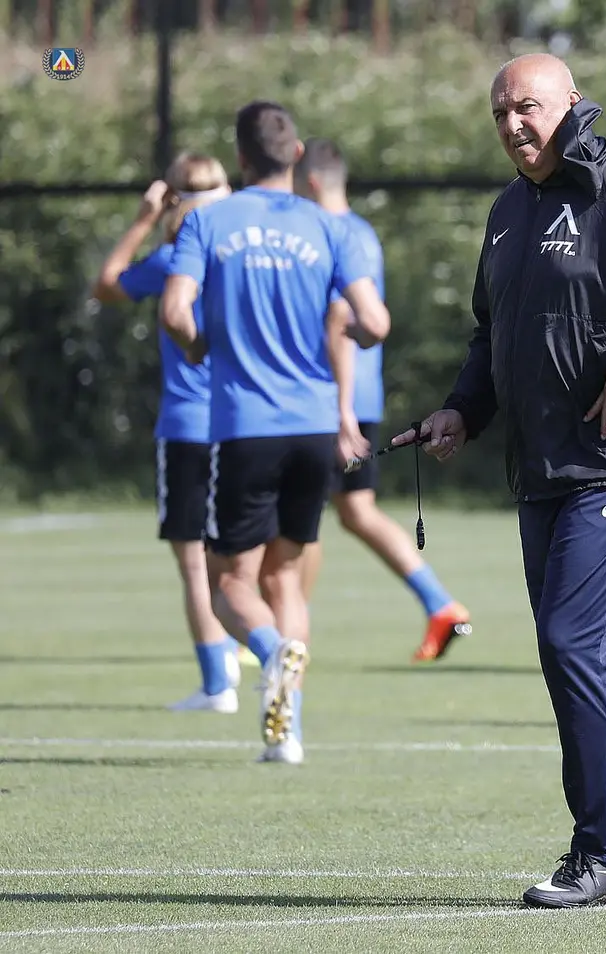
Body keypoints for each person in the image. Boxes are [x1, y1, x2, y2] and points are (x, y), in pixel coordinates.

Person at [391, 54, 606, 908]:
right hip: (542, 467)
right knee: (576, 656)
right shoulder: (507, 212)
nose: (514, 123)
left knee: (574, 647)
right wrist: (462, 411)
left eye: (529, 106)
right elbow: (492, 335)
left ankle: (604, 853)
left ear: (571, 104)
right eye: (500, 111)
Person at [160, 101, 391, 764]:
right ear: (295, 155)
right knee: (285, 579)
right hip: (316, 428)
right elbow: (375, 323)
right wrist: (344, 330)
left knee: (229, 586)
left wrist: (199, 345)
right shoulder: (328, 227)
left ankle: (270, 653)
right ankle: (285, 734)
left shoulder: (209, 220)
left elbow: (175, 310)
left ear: (240, 158)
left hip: (244, 428)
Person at [292, 138, 472, 661]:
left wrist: (341, 412)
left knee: (302, 516)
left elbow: (339, 320)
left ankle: (286, 633)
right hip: (359, 397)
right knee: (355, 510)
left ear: (309, 183)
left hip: (333, 400)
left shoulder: (322, 234)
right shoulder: (363, 232)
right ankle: (441, 606)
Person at [92, 153, 244, 713]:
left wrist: (142, 219)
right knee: (236, 555)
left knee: (194, 561)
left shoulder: (174, 258)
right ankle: (247, 649)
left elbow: (106, 285)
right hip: (243, 423)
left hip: (187, 425)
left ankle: (218, 682)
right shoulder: (240, 253)